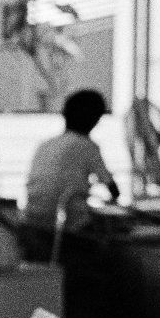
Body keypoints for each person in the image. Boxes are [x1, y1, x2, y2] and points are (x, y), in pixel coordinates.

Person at [23, 89, 120, 230]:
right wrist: (117, 202)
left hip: (34, 220)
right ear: (93, 120)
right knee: (112, 228)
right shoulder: (87, 146)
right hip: (67, 222)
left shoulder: (46, 145)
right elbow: (110, 185)